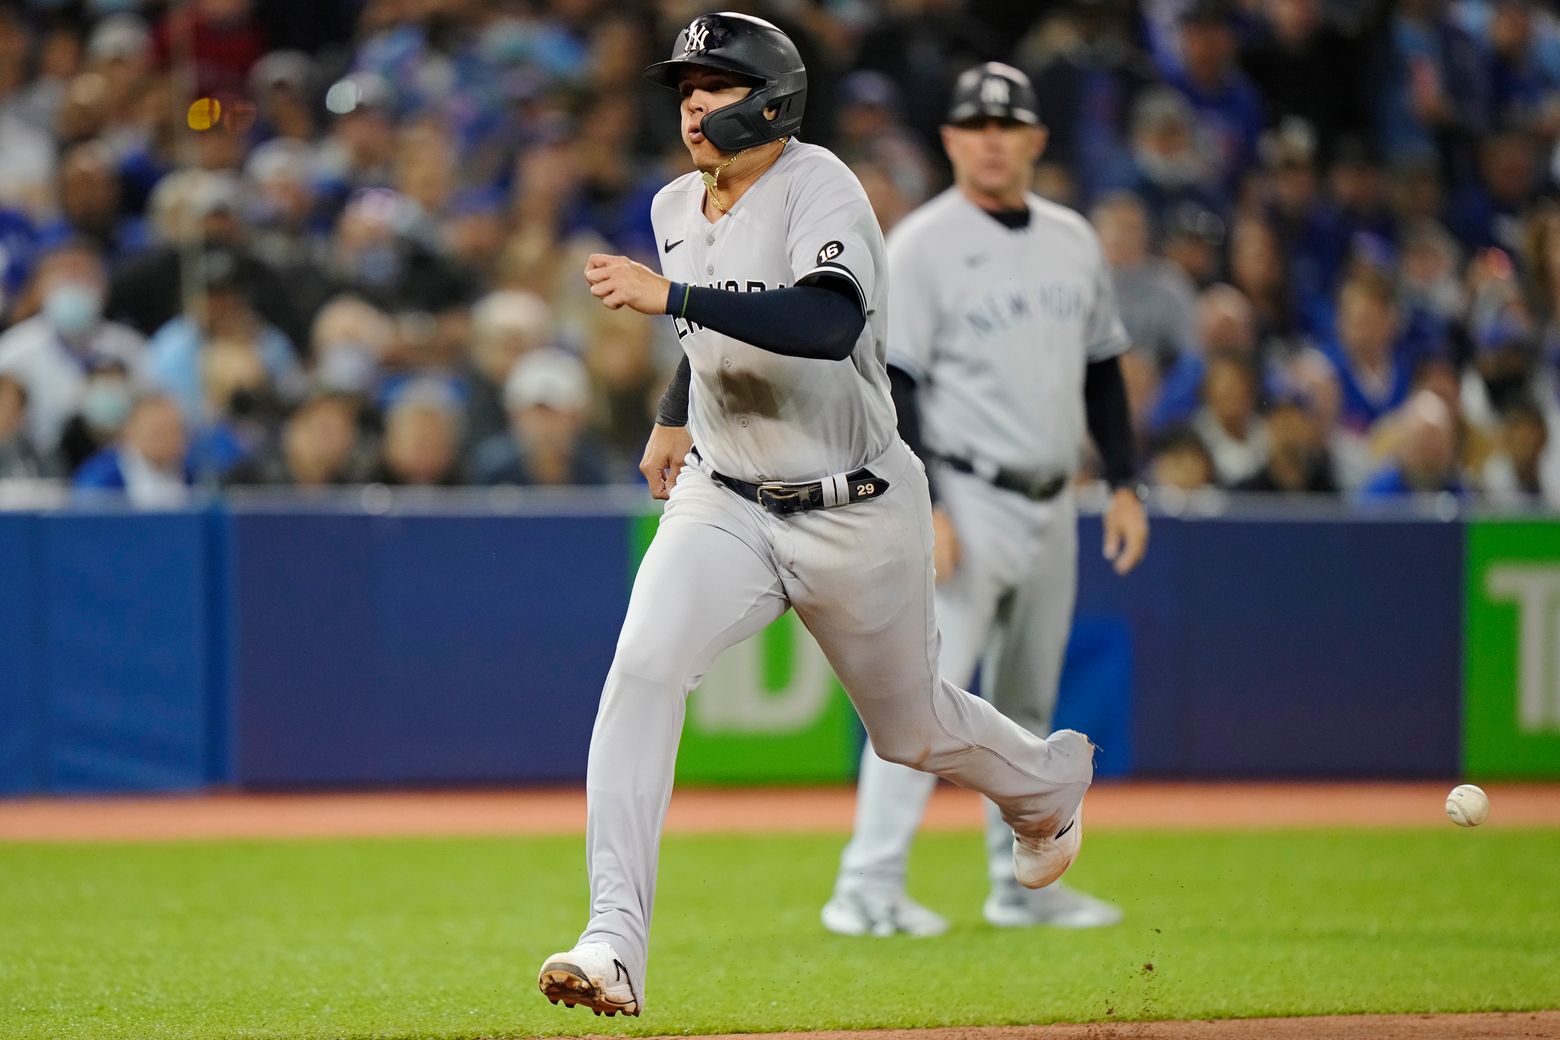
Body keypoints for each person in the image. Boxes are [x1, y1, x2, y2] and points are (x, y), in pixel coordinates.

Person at [536, 15, 1096, 1018]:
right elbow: (719, 319)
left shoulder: (819, 183)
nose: (695, 104)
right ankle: (613, 939)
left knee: (912, 728)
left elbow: (825, 320)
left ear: (773, 98)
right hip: (726, 498)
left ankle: (1047, 787)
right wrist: (675, 413)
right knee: (644, 669)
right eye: (685, 88)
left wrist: (673, 298)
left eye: (717, 84)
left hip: (857, 506)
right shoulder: (676, 203)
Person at [818, 63, 1147, 939]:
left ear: (1036, 139)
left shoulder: (1075, 239)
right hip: (961, 488)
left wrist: (1124, 482)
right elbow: (895, 381)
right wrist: (923, 504)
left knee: (1030, 697)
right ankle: (869, 884)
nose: (993, 138)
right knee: (923, 701)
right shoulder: (922, 243)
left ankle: (1020, 885)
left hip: (1054, 497)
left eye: (1009, 125)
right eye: (975, 125)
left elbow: (1104, 368)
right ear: (952, 140)